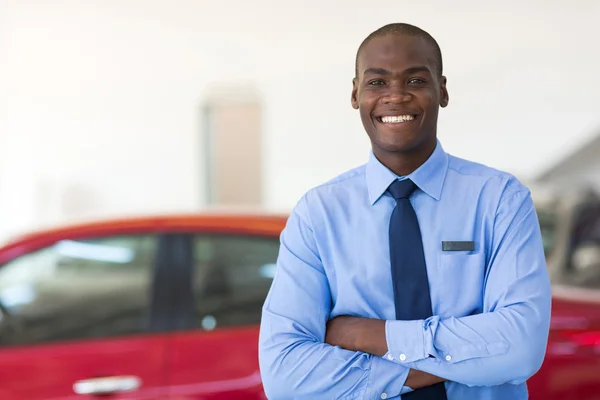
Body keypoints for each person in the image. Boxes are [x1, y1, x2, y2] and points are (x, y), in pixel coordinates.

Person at [258, 22, 551, 400]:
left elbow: (520, 346)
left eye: (415, 81)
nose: (395, 97)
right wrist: (441, 365)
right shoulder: (318, 215)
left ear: (442, 90)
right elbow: (285, 375)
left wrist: (370, 336)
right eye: (377, 82)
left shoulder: (500, 200)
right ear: (355, 94)